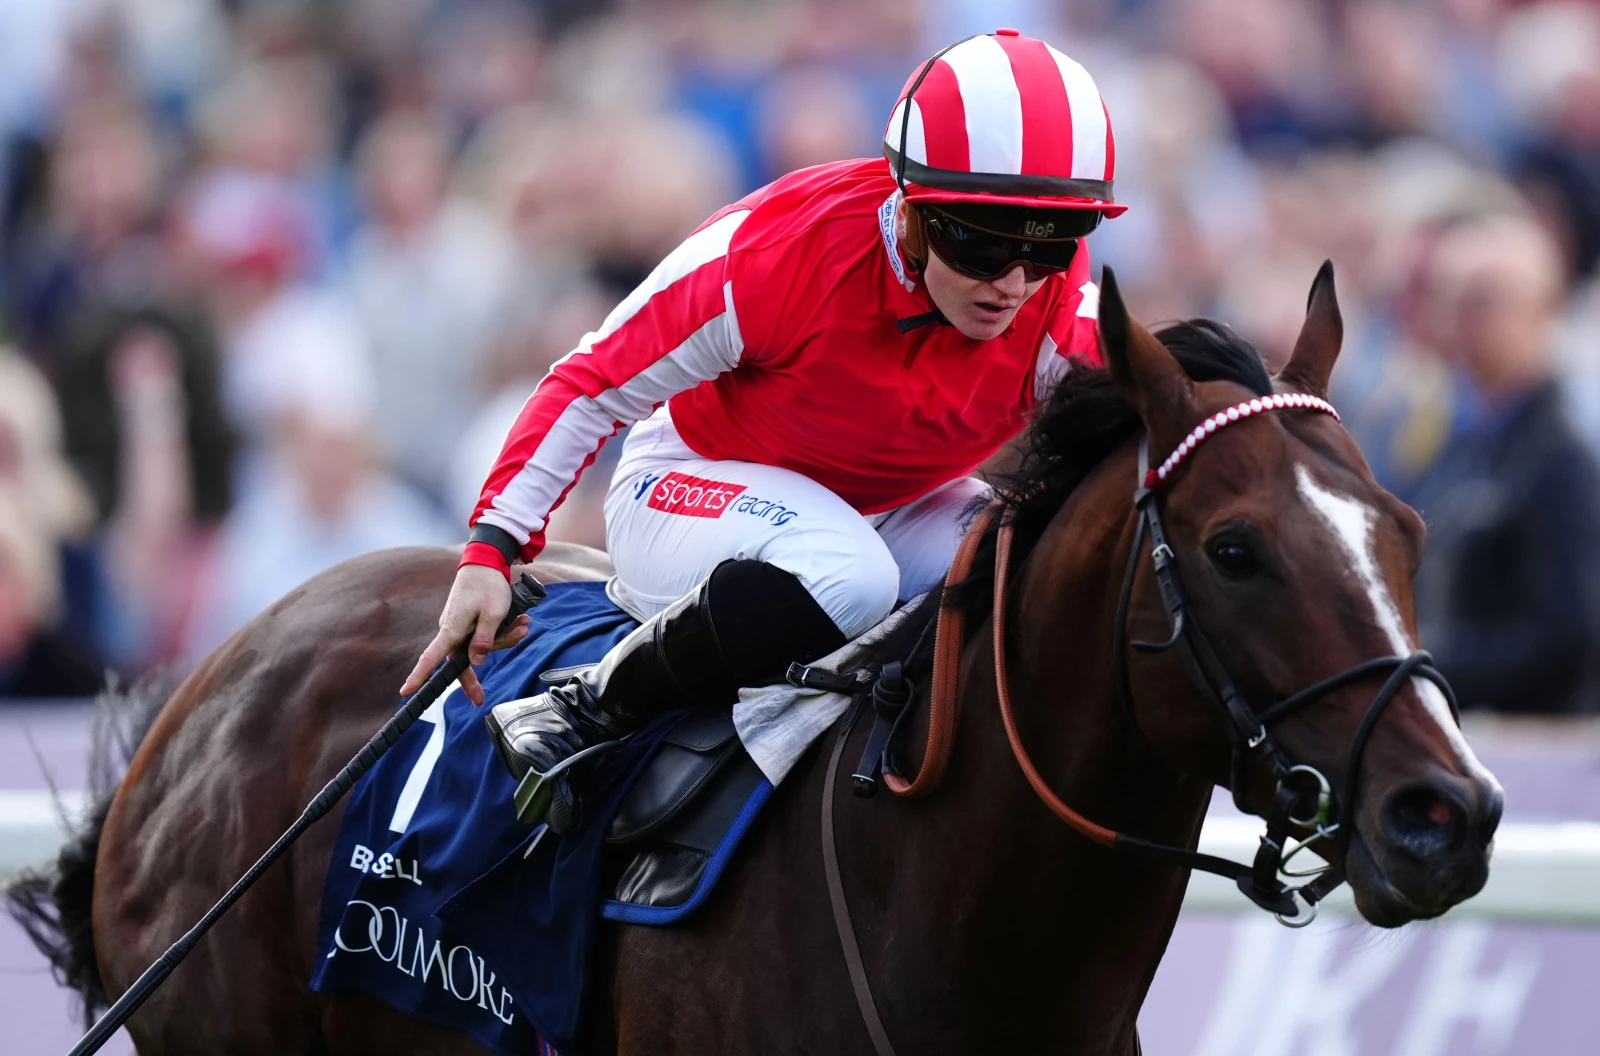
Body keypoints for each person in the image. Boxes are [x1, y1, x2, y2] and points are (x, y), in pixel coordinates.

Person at [401, 30, 1124, 829]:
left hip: (876, 512)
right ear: (908, 203)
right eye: (982, 242)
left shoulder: (1056, 305)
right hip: (685, 487)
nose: (1015, 283)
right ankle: (588, 706)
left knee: (1020, 554)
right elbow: (591, 384)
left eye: (1052, 242)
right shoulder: (778, 255)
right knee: (850, 576)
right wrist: (492, 548)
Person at [1408, 213, 1600, 714]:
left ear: (1541, 309)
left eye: (1481, 300)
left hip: (1535, 750)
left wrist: (1428, 665)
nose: (1458, 319)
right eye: (1449, 298)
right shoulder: (1458, 436)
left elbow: (1568, 638)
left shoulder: (1559, 456)